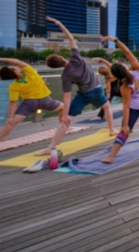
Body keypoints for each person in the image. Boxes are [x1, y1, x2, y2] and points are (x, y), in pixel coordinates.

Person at [38, 16, 115, 155]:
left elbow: (67, 97)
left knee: (67, 121)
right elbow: (71, 38)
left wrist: (67, 114)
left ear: (56, 67)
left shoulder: (66, 76)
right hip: (97, 90)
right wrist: (58, 22)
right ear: (61, 58)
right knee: (107, 107)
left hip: (84, 94)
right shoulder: (76, 57)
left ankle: (51, 147)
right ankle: (111, 130)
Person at [0, 58, 64, 150]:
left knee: (10, 124)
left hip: (29, 104)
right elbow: (18, 61)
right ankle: (62, 128)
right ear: (15, 71)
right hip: (46, 100)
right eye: (13, 67)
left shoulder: (14, 86)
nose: (15, 66)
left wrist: (10, 117)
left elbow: (13, 102)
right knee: (64, 108)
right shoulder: (31, 73)